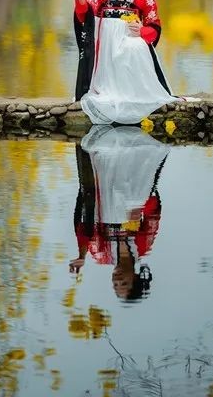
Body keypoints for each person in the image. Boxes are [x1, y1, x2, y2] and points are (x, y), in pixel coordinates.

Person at [65, 0, 179, 124]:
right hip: (105, 43)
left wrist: (141, 30)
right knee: (106, 94)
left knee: (136, 47)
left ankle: (135, 93)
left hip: (129, 38)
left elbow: (154, 25)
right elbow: (86, 16)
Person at [69, 124, 169, 301]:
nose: (117, 280)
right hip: (131, 191)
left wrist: (81, 255)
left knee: (104, 151)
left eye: (115, 285)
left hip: (104, 190)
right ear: (135, 278)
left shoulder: (101, 255)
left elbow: (85, 228)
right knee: (133, 154)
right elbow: (154, 212)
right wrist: (139, 208)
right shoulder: (143, 246)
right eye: (124, 284)